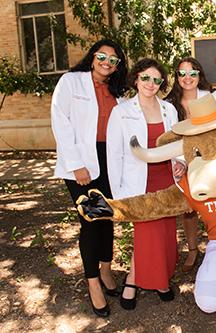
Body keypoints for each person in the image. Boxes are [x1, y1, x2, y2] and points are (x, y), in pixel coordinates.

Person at [51, 39, 128, 317]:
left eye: (113, 60)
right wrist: (76, 164)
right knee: (90, 221)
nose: (106, 62)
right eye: (102, 56)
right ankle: (93, 282)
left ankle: (106, 271)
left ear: (118, 65)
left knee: (107, 218)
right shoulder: (71, 82)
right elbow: (60, 121)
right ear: (92, 57)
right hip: (82, 163)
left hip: (110, 161)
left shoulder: (118, 91)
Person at [107, 58, 184, 309]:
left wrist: (181, 162)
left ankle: (155, 279)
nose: (151, 84)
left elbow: (176, 143)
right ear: (136, 79)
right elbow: (114, 153)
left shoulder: (168, 110)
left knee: (164, 233)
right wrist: (118, 194)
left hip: (166, 179)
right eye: (146, 78)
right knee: (146, 233)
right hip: (138, 182)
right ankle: (135, 280)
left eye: (156, 79)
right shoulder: (121, 111)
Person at [166, 57, 216, 272]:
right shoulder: (170, 103)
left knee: (213, 205)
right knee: (188, 209)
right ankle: (192, 249)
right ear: (177, 77)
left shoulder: (211, 97)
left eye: (192, 72)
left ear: (200, 75)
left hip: (209, 158)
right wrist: (180, 162)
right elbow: (170, 138)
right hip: (182, 161)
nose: (187, 78)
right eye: (182, 73)